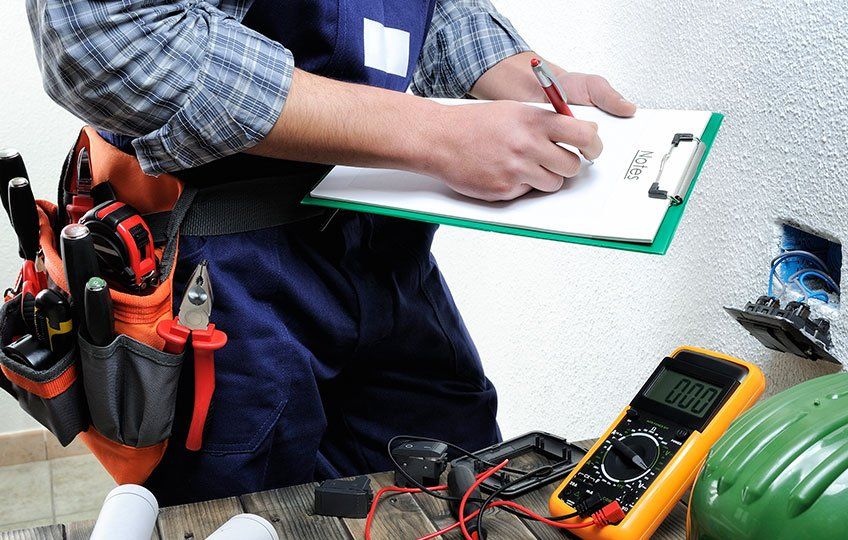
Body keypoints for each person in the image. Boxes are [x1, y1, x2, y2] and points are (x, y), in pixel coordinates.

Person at [27, 0, 636, 505]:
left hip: (383, 245)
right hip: (214, 274)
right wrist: (433, 133)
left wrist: (506, 69)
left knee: (462, 491)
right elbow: (102, 38)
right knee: (244, 511)